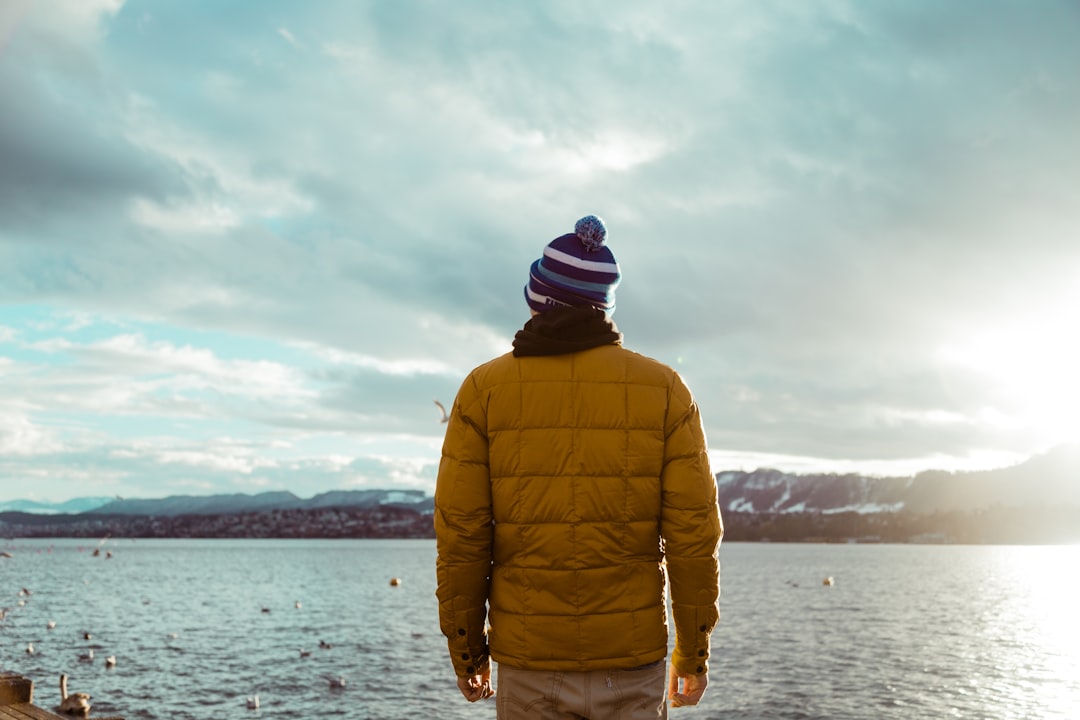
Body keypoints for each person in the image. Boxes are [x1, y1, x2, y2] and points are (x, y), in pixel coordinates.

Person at [435, 215, 723, 719]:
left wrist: (467, 651)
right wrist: (693, 655)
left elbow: (462, 536)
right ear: (603, 307)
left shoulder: (483, 391)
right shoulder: (665, 391)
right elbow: (693, 536)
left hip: (528, 665)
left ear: (536, 298)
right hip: (632, 665)